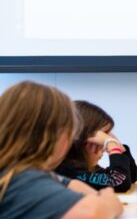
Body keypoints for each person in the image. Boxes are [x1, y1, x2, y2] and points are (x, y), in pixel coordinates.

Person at [0, 81, 123, 219]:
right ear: (53, 134)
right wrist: (108, 200)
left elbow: (71, 184)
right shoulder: (22, 178)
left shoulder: (16, 169)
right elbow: (93, 213)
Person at [56, 100, 137, 193]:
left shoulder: (85, 168)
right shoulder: (68, 170)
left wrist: (118, 145)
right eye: (101, 140)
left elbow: (132, 176)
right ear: (82, 139)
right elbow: (119, 183)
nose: (104, 147)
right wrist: (112, 146)